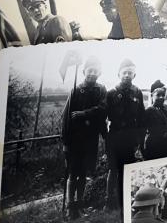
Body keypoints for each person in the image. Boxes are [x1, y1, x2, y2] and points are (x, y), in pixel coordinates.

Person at [61, 55, 107, 220]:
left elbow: (102, 109)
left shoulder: (101, 90)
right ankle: (69, 207)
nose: (92, 73)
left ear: (99, 73)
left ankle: (79, 205)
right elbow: (66, 117)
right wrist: (66, 142)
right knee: (73, 174)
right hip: (75, 140)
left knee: (83, 174)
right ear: (84, 71)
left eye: (95, 71)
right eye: (90, 70)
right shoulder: (76, 90)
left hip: (91, 140)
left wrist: (83, 114)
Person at [106, 58, 145, 209]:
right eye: (124, 72)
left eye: (130, 73)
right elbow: (105, 116)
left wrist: (139, 139)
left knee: (127, 168)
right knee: (113, 169)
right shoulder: (111, 93)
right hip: (115, 136)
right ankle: (109, 201)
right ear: (119, 74)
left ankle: (123, 199)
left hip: (130, 137)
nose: (127, 75)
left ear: (134, 75)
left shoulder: (137, 92)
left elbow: (141, 117)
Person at [143, 80, 167, 160]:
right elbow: (143, 130)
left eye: (163, 95)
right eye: (158, 95)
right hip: (153, 145)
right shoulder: (149, 111)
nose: (161, 97)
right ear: (152, 95)